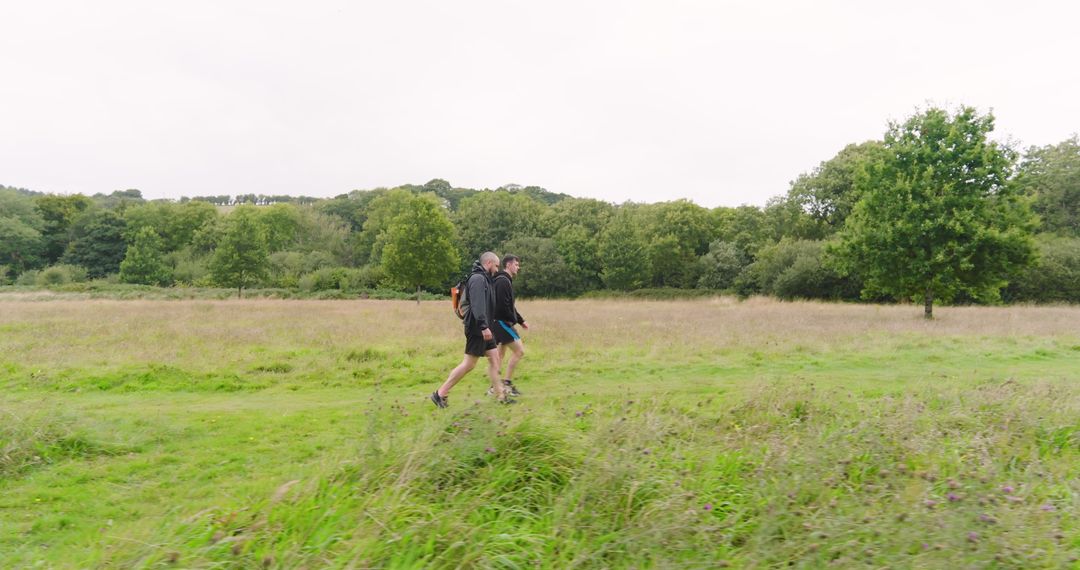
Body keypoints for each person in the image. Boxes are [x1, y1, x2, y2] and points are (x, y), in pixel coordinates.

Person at [431, 252, 514, 408]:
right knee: (469, 364)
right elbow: (477, 305)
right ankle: (440, 394)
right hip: (477, 328)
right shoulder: (478, 279)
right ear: (489, 263)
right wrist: (483, 327)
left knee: (495, 359)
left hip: (485, 328)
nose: (497, 270)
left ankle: (501, 396)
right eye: (496, 266)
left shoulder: (485, 279)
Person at [491, 254, 529, 396]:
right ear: (508, 265)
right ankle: (506, 383)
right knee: (519, 351)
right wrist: (512, 320)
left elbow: (510, 305)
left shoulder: (505, 280)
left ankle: (495, 386)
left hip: (500, 321)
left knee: (500, 355)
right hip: (502, 322)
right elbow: (503, 306)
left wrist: (521, 320)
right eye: (516, 265)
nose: (518, 268)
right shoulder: (502, 281)